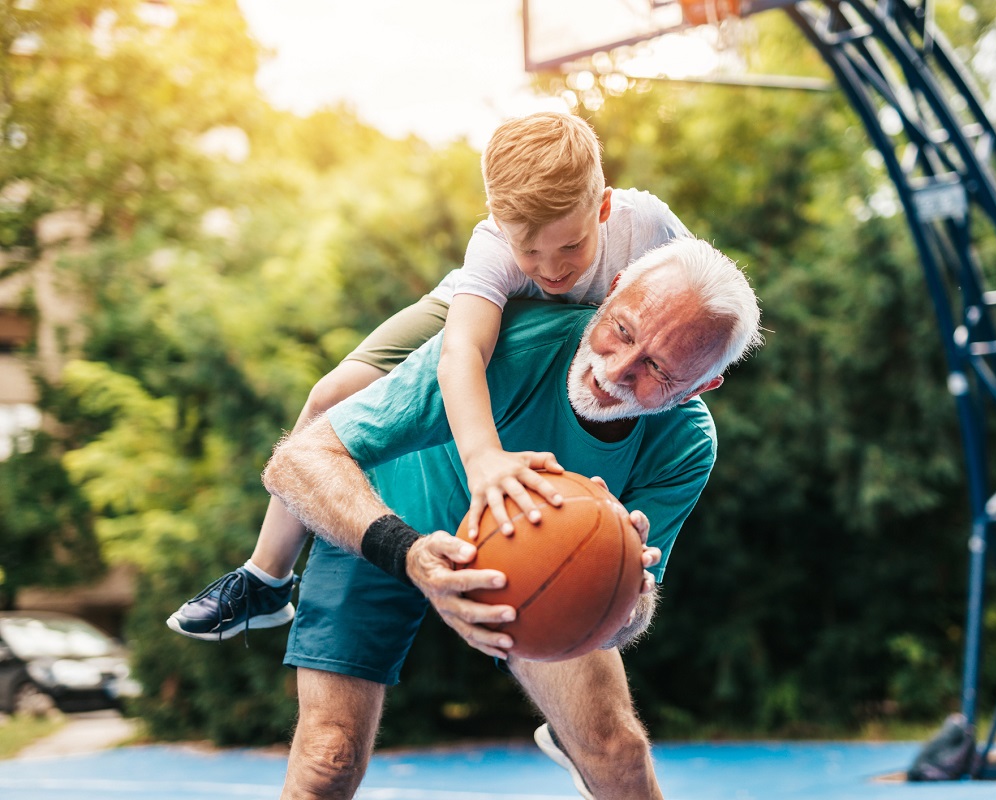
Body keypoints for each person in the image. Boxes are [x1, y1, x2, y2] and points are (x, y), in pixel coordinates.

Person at [262, 237, 762, 799]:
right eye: (621, 330)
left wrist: (626, 595)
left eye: (657, 369)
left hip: (532, 565)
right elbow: (297, 460)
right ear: (613, 291)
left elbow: (636, 611)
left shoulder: (685, 444)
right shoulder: (501, 347)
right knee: (329, 757)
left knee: (617, 751)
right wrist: (406, 551)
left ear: (702, 385)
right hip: (384, 517)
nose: (616, 370)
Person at [167, 112, 694, 640]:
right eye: (528, 250)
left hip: (585, 351)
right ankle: (266, 578)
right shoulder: (492, 246)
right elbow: (464, 348)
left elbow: (703, 310)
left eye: (570, 248)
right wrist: (483, 456)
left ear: (602, 207)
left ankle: (579, 689)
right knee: (330, 395)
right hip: (483, 312)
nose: (552, 269)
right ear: (496, 218)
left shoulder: (649, 226)